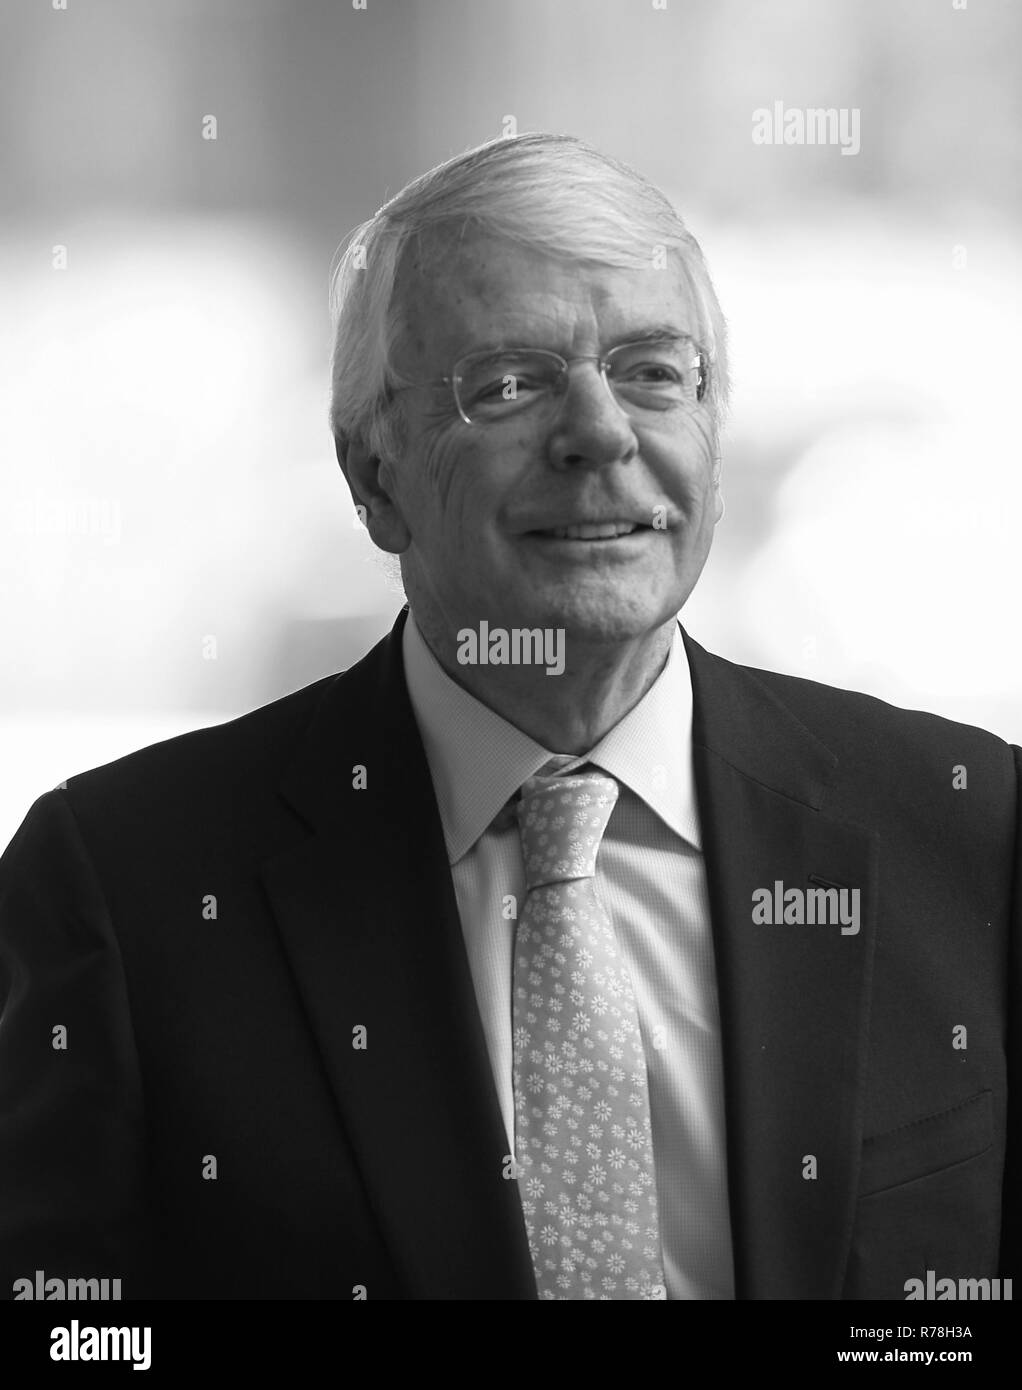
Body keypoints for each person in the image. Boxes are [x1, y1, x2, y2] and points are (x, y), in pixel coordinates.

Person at [1, 133, 1018, 1302]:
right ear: (371, 476)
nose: (600, 432)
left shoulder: (971, 833)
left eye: (652, 371)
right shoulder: (121, 886)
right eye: (508, 384)